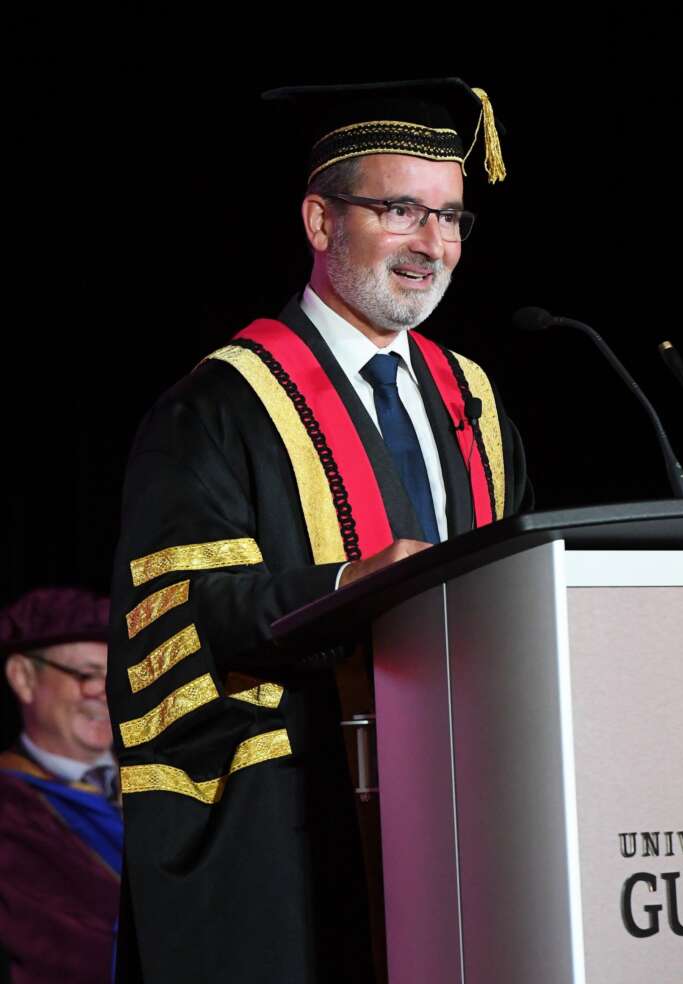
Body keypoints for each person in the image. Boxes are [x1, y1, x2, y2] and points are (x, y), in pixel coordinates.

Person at [107, 78, 527, 983]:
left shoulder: (474, 402)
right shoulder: (218, 407)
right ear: (319, 221)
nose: (433, 246)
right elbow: (177, 619)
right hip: (301, 824)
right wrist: (351, 585)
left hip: (466, 817)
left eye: (452, 218)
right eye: (402, 209)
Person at [0, 586, 122, 984]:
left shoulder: (171, 784)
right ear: (23, 677)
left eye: (114, 675)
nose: (104, 693)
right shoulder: (10, 809)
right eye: (87, 675)